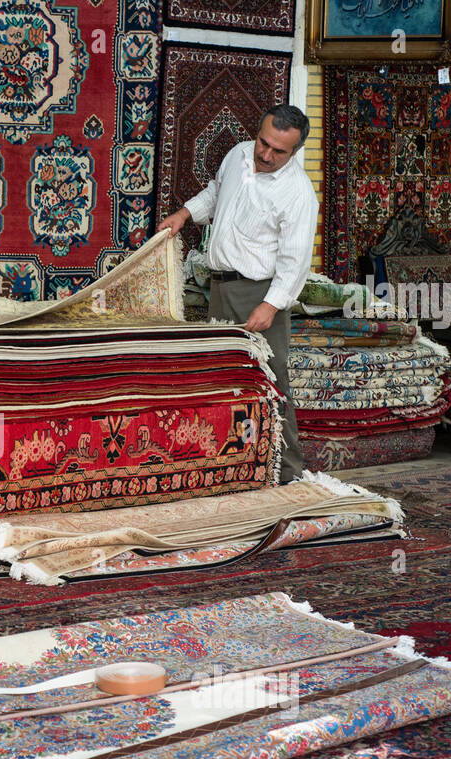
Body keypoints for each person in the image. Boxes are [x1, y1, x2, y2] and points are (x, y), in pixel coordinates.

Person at [157, 104, 318, 484]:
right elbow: (216, 193)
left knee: (271, 382)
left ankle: (289, 475)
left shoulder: (298, 193)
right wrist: (184, 214)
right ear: (257, 132)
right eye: (263, 142)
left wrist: (271, 305)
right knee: (227, 381)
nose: (265, 154)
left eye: (279, 151)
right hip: (220, 286)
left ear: (294, 152)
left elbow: (295, 261)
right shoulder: (239, 154)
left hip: (258, 294)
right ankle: (239, 467)